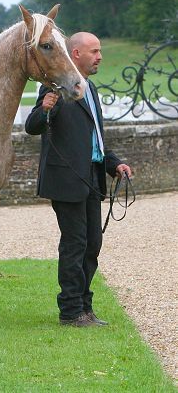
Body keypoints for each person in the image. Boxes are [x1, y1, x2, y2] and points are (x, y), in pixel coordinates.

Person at [25, 32, 132, 327]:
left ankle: (85, 307)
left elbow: (96, 139)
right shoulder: (56, 87)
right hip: (66, 180)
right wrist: (45, 107)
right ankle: (71, 311)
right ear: (75, 54)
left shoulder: (91, 88)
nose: (99, 56)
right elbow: (32, 126)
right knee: (74, 244)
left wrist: (115, 164)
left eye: (100, 51)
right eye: (94, 51)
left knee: (92, 244)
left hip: (92, 180)